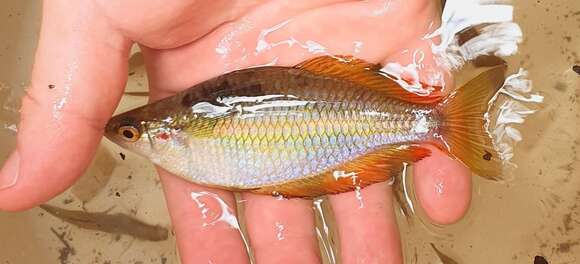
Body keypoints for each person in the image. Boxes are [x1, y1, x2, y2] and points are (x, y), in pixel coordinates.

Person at [0, 0, 472, 263]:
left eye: (132, 135)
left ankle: (443, 122)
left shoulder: (179, 132)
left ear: (165, 133)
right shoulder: (181, 125)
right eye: (129, 134)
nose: (126, 137)